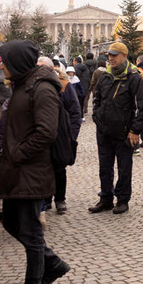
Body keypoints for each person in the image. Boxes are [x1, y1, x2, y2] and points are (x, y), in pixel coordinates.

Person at [0, 40, 70, 284]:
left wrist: (17, 153)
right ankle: (52, 265)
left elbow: (46, 132)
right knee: (13, 222)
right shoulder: (24, 84)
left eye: (5, 60)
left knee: (31, 231)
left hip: (32, 170)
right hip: (19, 168)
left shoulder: (42, 89)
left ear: (17, 63)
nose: (1, 65)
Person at [87, 42, 143, 215]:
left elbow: (142, 108)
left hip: (124, 132)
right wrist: (97, 117)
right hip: (104, 131)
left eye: (114, 55)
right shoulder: (106, 76)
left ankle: (122, 200)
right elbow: (97, 99)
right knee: (104, 167)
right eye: (109, 55)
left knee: (124, 168)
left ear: (124, 56)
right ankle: (106, 198)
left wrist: (135, 130)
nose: (110, 58)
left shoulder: (134, 77)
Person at [50, 63, 82, 214]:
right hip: (44, 134)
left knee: (59, 168)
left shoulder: (65, 86)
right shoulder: (38, 86)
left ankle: (59, 198)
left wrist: (71, 135)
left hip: (61, 135)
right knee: (43, 168)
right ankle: (45, 199)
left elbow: (76, 112)